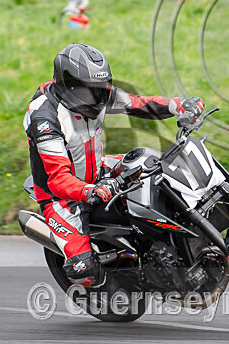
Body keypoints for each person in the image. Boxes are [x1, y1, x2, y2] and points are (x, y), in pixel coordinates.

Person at [23, 43, 204, 289]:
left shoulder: (98, 93)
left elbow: (140, 104)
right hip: (63, 197)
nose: (97, 98)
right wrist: (89, 191)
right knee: (83, 271)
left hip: (98, 171)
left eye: (101, 88)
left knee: (159, 165)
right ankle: (117, 287)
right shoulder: (44, 118)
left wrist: (179, 105)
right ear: (67, 85)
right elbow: (57, 178)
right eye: (89, 92)